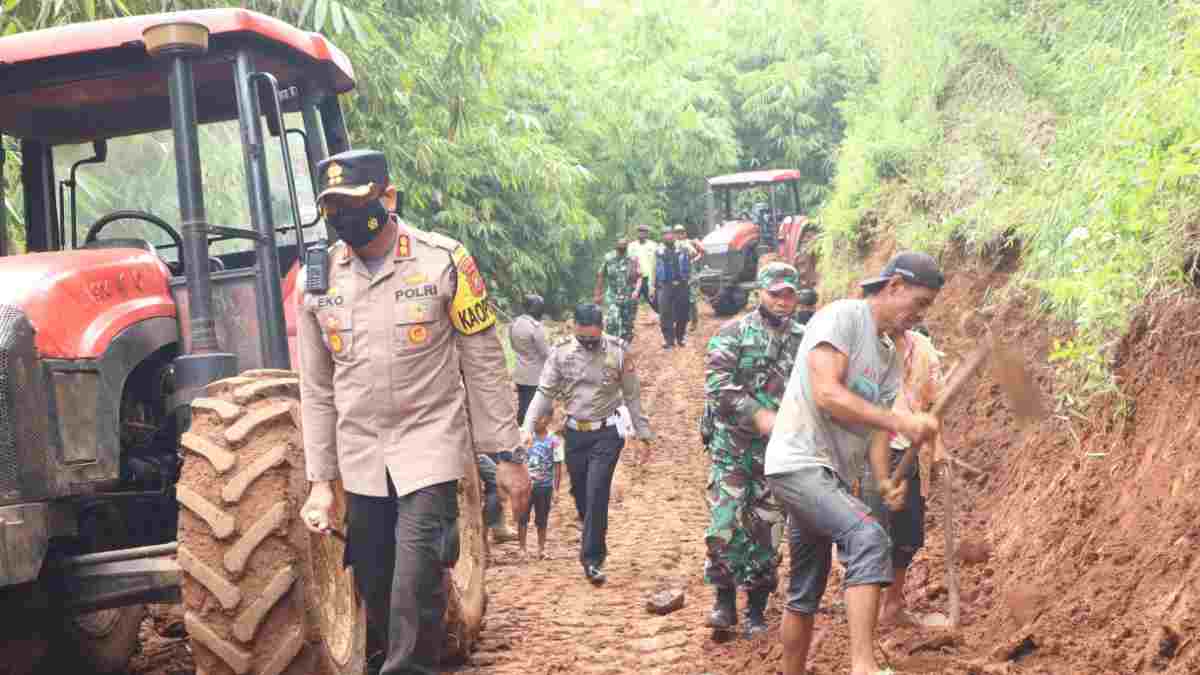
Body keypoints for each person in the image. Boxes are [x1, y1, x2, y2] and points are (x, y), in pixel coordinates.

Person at [296, 149, 532, 675]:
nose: (343, 218)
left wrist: (508, 454)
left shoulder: (445, 261)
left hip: (429, 447)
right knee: (379, 584)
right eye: (332, 207)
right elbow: (315, 388)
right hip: (361, 458)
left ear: (389, 197)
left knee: (413, 579)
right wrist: (320, 480)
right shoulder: (315, 279)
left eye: (355, 203)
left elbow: (484, 362)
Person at [763, 251, 945, 675]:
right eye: (917, 304)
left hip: (831, 476)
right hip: (798, 463)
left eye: (926, 309)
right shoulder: (842, 318)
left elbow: (877, 432)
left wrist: (883, 481)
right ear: (894, 286)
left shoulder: (887, 355)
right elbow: (827, 393)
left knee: (804, 589)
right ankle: (863, 666)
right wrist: (900, 418)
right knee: (867, 538)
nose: (917, 317)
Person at [702, 263, 807, 639]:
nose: (782, 301)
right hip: (732, 447)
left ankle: (757, 610)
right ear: (759, 292)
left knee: (766, 528)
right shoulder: (733, 333)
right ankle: (724, 602)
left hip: (779, 454)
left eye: (789, 294)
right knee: (725, 523)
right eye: (775, 293)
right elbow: (717, 384)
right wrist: (758, 414)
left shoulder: (805, 339)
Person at [522, 303, 653, 584]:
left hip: (608, 432)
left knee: (597, 491)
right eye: (585, 339)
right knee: (581, 493)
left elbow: (632, 395)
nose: (590, 344)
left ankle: (593, 559)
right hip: (574, 433)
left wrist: (643, 435)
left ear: (602, 329)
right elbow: (544, 393)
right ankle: (590, 523)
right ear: (574, 328)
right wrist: (527, 426)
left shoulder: (618, 352)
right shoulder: (560, 353)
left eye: (595, 338)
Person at [861, 325, 944, 626]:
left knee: (907, 534)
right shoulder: (863, 341)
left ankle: (893, 604)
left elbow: (935, 404)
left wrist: (937, 449)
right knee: (870, 534)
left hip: (911, 448)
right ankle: (864, 610)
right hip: (868, 450)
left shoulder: (923, 347)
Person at [518, 413, 564, 559]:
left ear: (548, 419)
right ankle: (522, 549)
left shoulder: (554, 440)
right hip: (525, 486)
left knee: (542, 518)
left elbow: (557, 466)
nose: (537, 421)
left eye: (540, 418)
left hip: (544, 486)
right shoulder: (525, 437)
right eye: (535, 418)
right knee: (523, 517)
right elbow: (517, 459)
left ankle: (541, 549)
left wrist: (556, 490)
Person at [510, 293, 550, 425]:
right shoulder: (535, 327)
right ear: (535, 309)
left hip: (520, 372)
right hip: (535, 375)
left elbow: (513, 346)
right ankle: (528, 435)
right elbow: (545, 353)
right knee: (532, 408)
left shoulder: (514, 323)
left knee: (522, 404)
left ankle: (520, 432)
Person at [594, 238, 642, 344]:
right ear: (615, 246)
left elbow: (639, 276)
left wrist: (636, 291)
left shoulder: (633, 259)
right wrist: (597, 294)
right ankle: (611, 347)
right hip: (613, 296)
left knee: (627, 326)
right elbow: (601, 275)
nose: (621, 248)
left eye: (624, 246)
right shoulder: (609, 258)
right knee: (612, 321)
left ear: (627, 247)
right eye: (619, 246)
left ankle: (623, 347)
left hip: (629, 297)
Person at [655, 228, 692, 349]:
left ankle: (680, 337)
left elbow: (694, 255)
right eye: (665, 235)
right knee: (665, 313)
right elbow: (653, 267)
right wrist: (652, 285)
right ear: (662, 237)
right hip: (665, 285)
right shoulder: (658, 251)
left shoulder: (683, 247)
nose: (668, 237)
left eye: (669, 234)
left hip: (682, 284)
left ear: (674, 236)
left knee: (683, 311)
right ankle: (668, 340)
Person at [673, 224, 704, 332]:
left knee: (691, 300)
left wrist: (694, 259)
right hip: (678, 275)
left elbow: (701, 252)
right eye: (677, 232)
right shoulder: (673, 244)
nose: (679, 234)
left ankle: (694, 322)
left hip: (691, 275)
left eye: (681, 232)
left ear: (685, 233)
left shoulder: (690, 242)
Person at [627, 224, 658, 312]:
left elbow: (657, 263)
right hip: (635, 280)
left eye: (644, 232)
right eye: (640, 231)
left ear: (647, 234)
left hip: (649, 279)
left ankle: (663, 321)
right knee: (632, 303)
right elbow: (628, 262)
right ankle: (630, 323)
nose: (642, 234)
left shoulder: (653, 245)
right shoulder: (631, 246)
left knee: (654, 302)